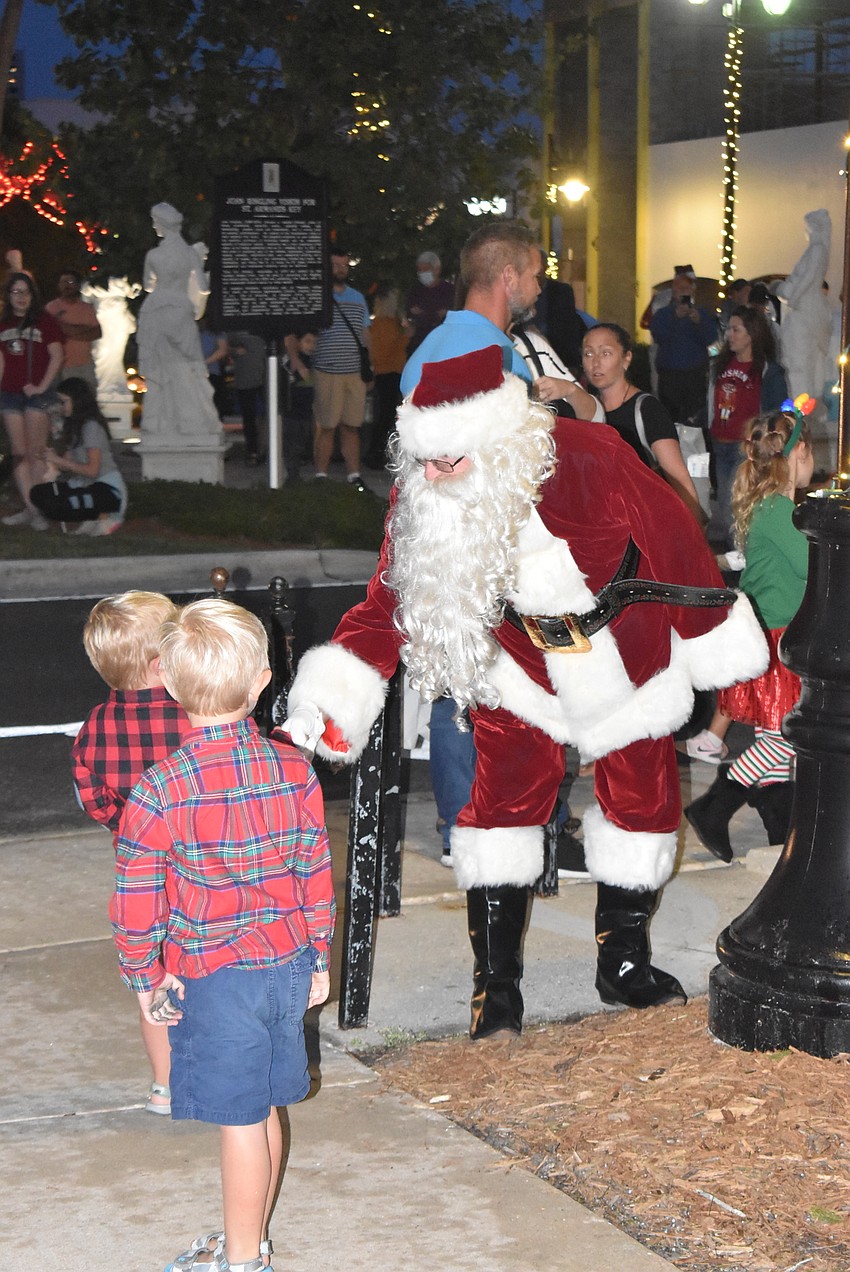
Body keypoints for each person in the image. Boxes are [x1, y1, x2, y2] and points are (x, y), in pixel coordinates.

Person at [283, 345, 768, 1038]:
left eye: (451, 459)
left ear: (497, 435)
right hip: (516, 665)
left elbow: (675, 534)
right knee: (501, 810)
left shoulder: (590, 456)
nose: (436, 475)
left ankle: (623, 963)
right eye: (426, 460)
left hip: (624, 653)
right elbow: (388, 599)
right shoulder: (427, 486)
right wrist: (328, 701)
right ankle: (496, 987)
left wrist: (710, 630)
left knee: (643, 801)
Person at [110, 598, 335, 1272]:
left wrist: (143, 976)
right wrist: (319, 956)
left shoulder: (159, 791)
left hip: (214, 977)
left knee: (239, 1120)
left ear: (169, 685)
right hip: (287, 964)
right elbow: (314, 871)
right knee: (261, 1101)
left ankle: (242, 1261)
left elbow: (135, 904)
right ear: (265, 680)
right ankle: (252, 1238)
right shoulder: (294, 768)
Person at [72, 590, 189, 1115]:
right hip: (200, 870)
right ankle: (210, 1068)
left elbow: (91, 795)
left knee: (156, 982)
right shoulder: (195, 716)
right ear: (164, 662)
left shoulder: (94, 725)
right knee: (206, 970)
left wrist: (126, 827)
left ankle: (165, 1086)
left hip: (140, 877)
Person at [686, 409, 812, 860]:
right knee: (784, 737)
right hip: (779, 637)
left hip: (770, 630)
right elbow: (806, 564)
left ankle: (782, 831)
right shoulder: (780, 510)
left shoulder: (770, 506)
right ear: (798, 454)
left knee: (772, 738)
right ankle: (714, 808)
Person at [581, 323, 703, 523]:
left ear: (626, 358)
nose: (595, 363)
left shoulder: (646, 409)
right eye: (588, 354)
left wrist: (695, 537)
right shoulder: (585, 410)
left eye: (606, 353)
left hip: (645, 523)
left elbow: (678, 478)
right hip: (604, 524)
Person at [400, 220, 539, 395]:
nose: (538, 288)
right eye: (534, 276)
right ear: (510, 277)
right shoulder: (506, 364)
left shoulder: (421, 356)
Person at [704, 305, 788, 547]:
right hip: (720, 444)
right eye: (728, 329)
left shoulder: (767, 371)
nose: (729, 334)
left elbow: (776, 412)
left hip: (746, 450)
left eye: (735, 329)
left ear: (751, 333)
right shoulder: (720, 365)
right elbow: (713, 400)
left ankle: (740, 561)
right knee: (724, 502)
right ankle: (738, 558)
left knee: (738, 506)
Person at [137, 202, 221, 438]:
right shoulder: (189, 254)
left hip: (156, 312)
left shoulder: (153, 255)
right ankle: (191, 420)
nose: (154, 227)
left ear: (162, 224)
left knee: (161, 370)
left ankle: (161, 421)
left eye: (155, 223)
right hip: (181, 311)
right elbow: (203, 288)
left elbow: (147, 285)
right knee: (187, 368)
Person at [289, 247, 370, 486]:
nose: (340, 270)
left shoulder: (358, 298)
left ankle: (354, 475)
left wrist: (370, 366)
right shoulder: (316, 297)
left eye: (344, 265)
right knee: (326, 426)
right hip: (327, 371)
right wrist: (297, 362)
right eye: (335, 265)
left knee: (352, 426)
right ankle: (321, 476)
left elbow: (365, 332)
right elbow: (295, 333)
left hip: (354, 372)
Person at [0, 272, 64, 529]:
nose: (21, 297)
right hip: (10, 394)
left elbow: (57, 356)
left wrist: (42, 386)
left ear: (32, 295)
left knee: (36, 452)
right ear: (8, 295)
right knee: (18, 453)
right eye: (15, 292)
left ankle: (41, 505)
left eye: (25, 292)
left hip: (37, 394)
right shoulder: (3, 323)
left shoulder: (44, 321)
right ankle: (31, 507)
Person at [30, 376, 127, 534]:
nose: (62, 407)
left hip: (106, 488)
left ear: (77, 400)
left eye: (64, 401)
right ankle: (94, 516)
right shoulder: (75, 427)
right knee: (39, 493)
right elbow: (66, 464)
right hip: (84, 485)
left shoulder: (91, 427)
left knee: (59, 502)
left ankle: (106, 515)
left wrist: (58, 460)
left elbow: (92, 470)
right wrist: (51, 458)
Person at [649, 267, 717, 423]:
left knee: (693, 418)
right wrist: (675, 318)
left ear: (693, 291)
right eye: (679, 288)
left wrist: (699, 322)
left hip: (695, 376)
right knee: (670, 418)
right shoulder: (663, 314)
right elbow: (658, 336)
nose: (683, 292)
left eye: (686, 288)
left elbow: (711, 338)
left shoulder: (702, 314)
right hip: (670, 376)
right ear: (673, 290)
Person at [363, 282, 408, 469]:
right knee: (386, 416)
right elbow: (388, 350)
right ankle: (376, 454)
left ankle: (377, 454)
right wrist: (406, 336)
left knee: (386, 415)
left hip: (388, 372)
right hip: (388, 372)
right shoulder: (385, 325)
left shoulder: (383, 324)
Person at [45, 269, 102, 393]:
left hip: (85, 365)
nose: (67, 285)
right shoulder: (51, 308)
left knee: (88, 400)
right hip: (61, 367)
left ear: (77, 285)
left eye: (70, 281)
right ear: (59, 285)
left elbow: (97, 332)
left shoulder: (87, 308)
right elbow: (51, 334)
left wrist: (65, 327)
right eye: (63, 282)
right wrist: (84, 330)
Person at [404, 250, 455, 356]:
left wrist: (424, 314)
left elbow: (451, 314)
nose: (422, 273)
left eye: (426, 270)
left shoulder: (449, 291)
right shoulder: (415, 292)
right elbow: (409, 315)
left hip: (443, 345)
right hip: (419, 346)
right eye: (420, 270)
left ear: (437, 270)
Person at [228, 330, 267, 464]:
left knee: (271, 415)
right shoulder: (235, 328)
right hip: (245, 379)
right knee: (249, 417)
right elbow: (226, 346)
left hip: (266, 378)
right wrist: (234, 350)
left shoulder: (265, 326)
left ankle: (266, 449)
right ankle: (252, 451)